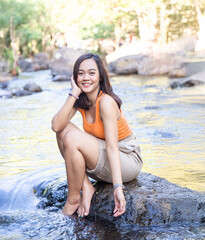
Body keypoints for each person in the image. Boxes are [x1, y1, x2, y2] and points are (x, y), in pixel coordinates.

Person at [51, 53, 143, 218]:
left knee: (72, 138)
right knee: (64, 129)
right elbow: (56, 126)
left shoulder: (106, 102)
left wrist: (117, 188)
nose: (86, 78)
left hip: (126, 159)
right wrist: (74, 93)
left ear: (100, 77)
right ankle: (86, 187)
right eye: (81, 73)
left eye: (91, 73)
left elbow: (112, 148)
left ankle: (73, 200)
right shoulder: (81, 99)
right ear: (75, 76)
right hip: (102, 157)